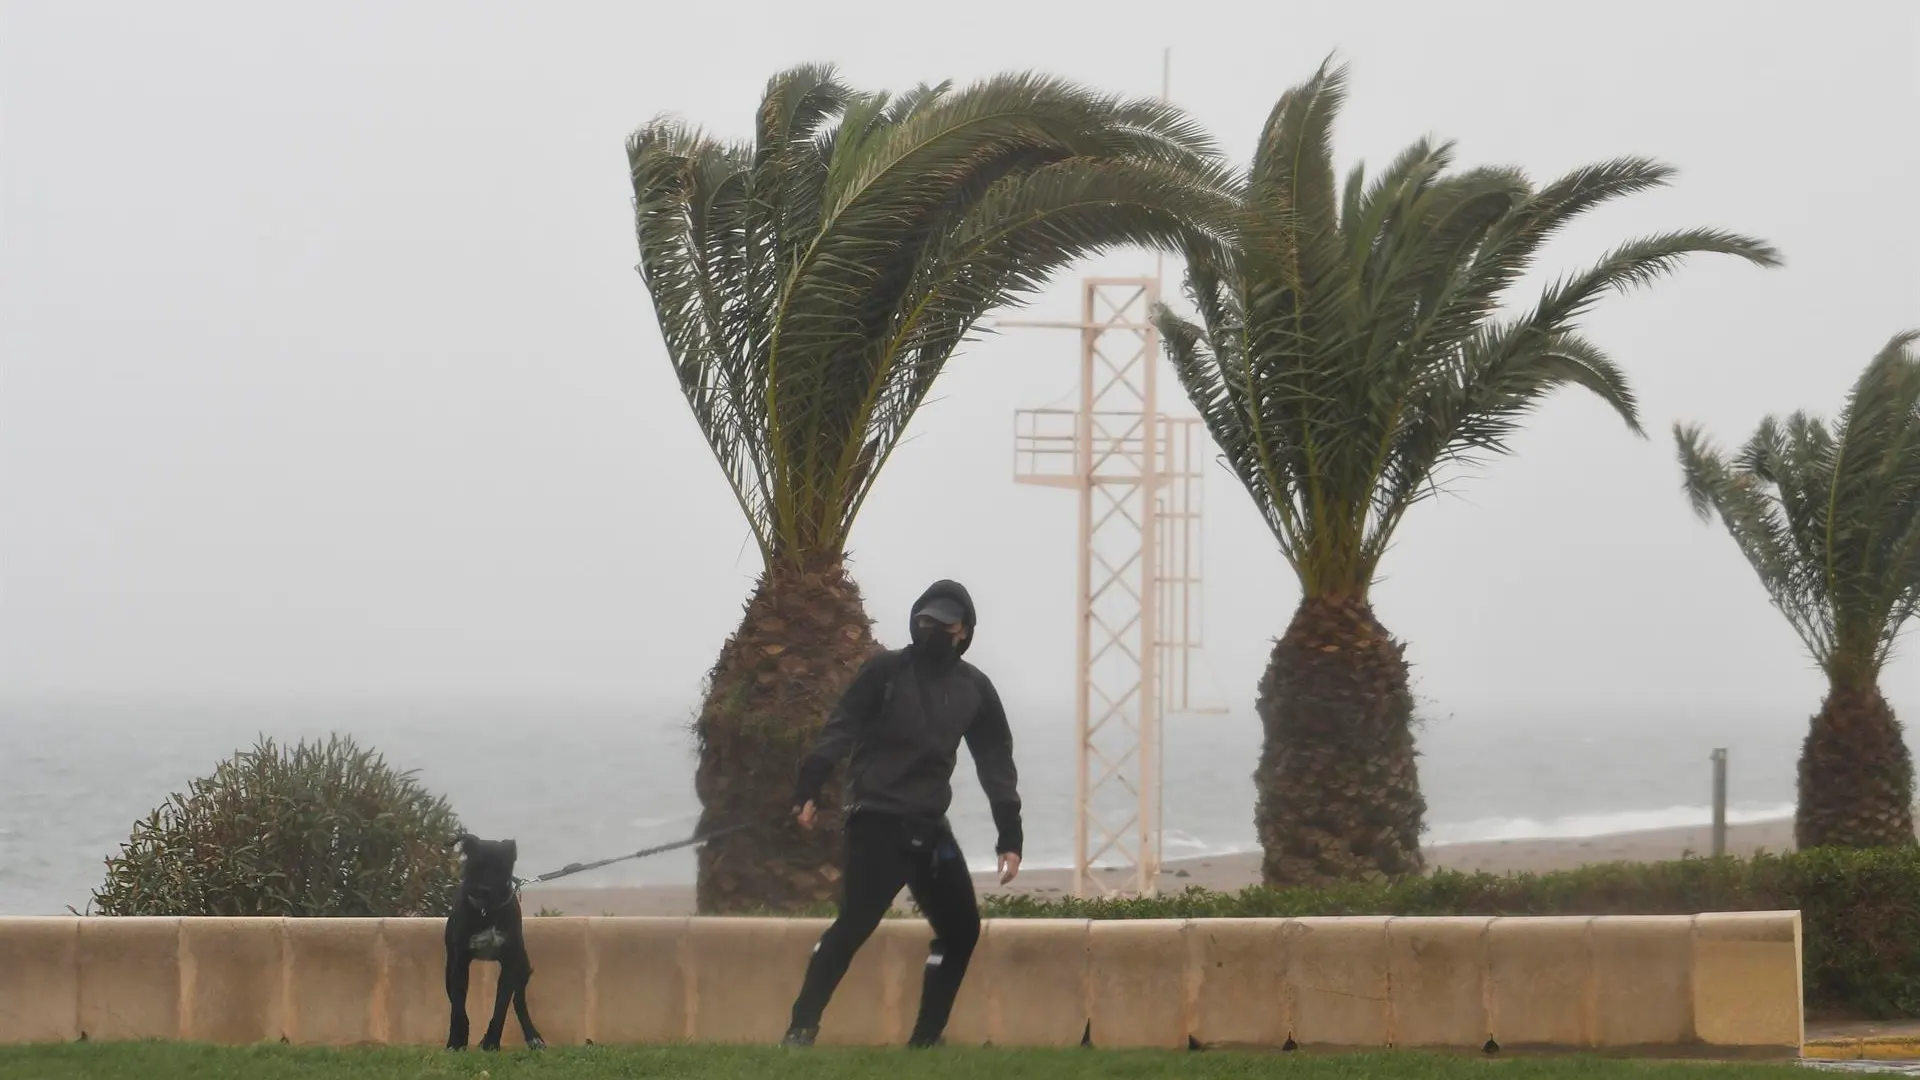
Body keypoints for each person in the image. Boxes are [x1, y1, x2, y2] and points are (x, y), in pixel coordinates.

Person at [781, 578, 1023, 1049]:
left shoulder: (975, 688)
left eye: (943, 624)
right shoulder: (886, 672)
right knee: (855, 925)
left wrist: (1009, 836)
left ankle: (926, 1040)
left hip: (930, 830)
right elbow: (841, 729)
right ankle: (800, 1028)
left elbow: (996, 762)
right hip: (876, 822)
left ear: (964, 632)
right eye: (924, 622)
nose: (931, 630)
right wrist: (809, 786)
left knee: (961, 931)